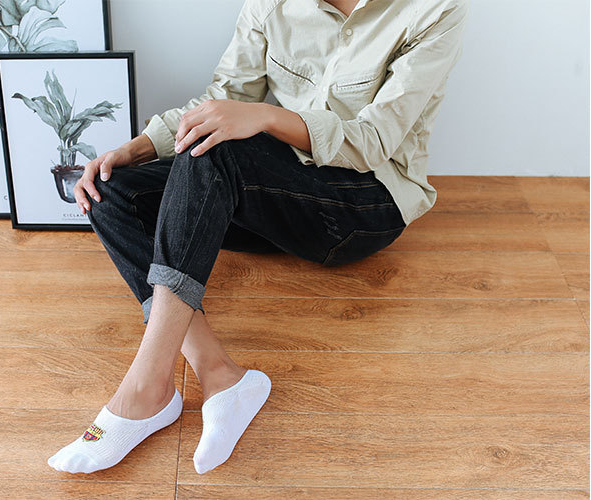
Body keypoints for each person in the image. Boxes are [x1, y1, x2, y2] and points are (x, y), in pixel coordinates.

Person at [47, 0, 468, 475]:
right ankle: (217, 372)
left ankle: (146, 386)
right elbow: (224, 98)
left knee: (218, 150)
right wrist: (135, 149)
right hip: (272, 197)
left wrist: (264, 117)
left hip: (363, 204)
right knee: (109, 191)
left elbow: (373, 140)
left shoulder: (434, 9)